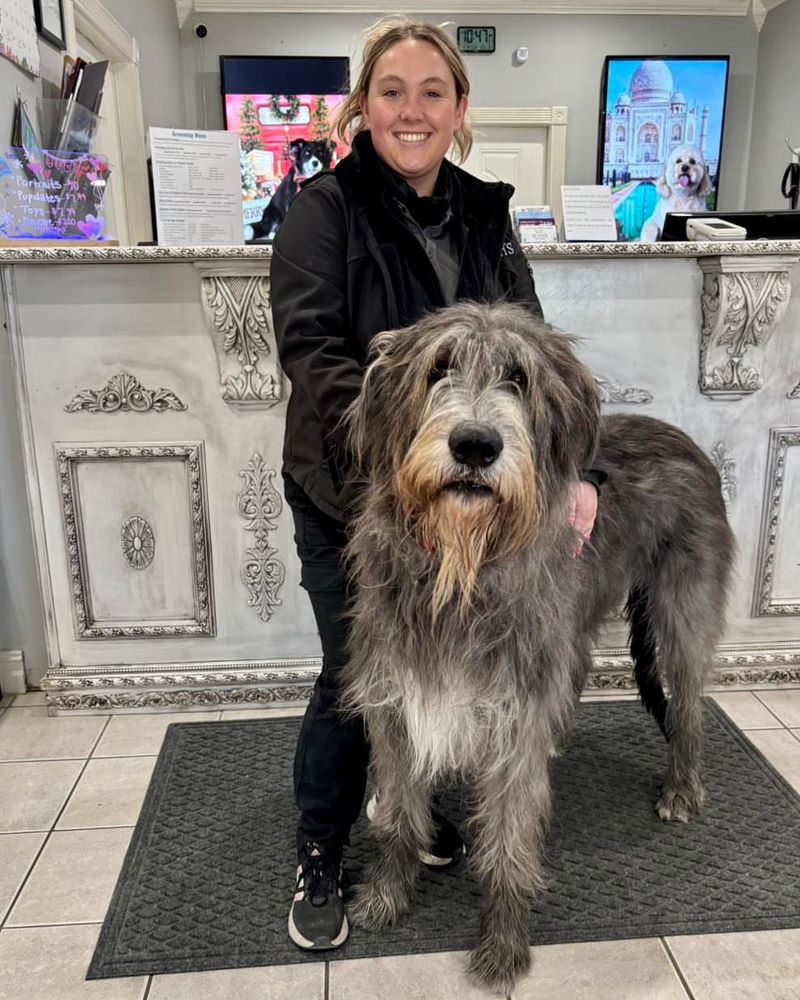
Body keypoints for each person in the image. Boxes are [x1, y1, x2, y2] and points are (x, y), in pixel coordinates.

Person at [270, 16, 601, 951]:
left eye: (432, 93)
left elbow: (537, 358)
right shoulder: (322, 211)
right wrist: (401, 441)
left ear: (460, 110)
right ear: (361, 108)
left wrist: (583, 473)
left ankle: (437, 828)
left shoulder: (486, 211)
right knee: (362, 679)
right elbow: (313, 352)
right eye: (391, 91)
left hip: (475, 494)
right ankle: (324, 847)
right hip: (356, 491)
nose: (411, 110)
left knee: (468, 684)